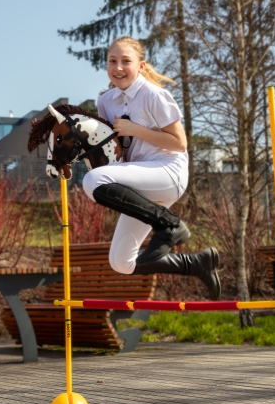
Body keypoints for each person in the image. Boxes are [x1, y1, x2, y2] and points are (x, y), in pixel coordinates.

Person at [82, 36, 221, 300]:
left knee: (92, 181)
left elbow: (180, 143)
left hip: (168, 171)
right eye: (112, 61)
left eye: (126, 61)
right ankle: (197, 264)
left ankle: (169, 226)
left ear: (141, 66)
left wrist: (136, 130)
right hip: (140, 181)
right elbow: (116, 151)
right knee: (121, 263)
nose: (118, 67)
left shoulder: (154, 95)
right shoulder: (106, 101)